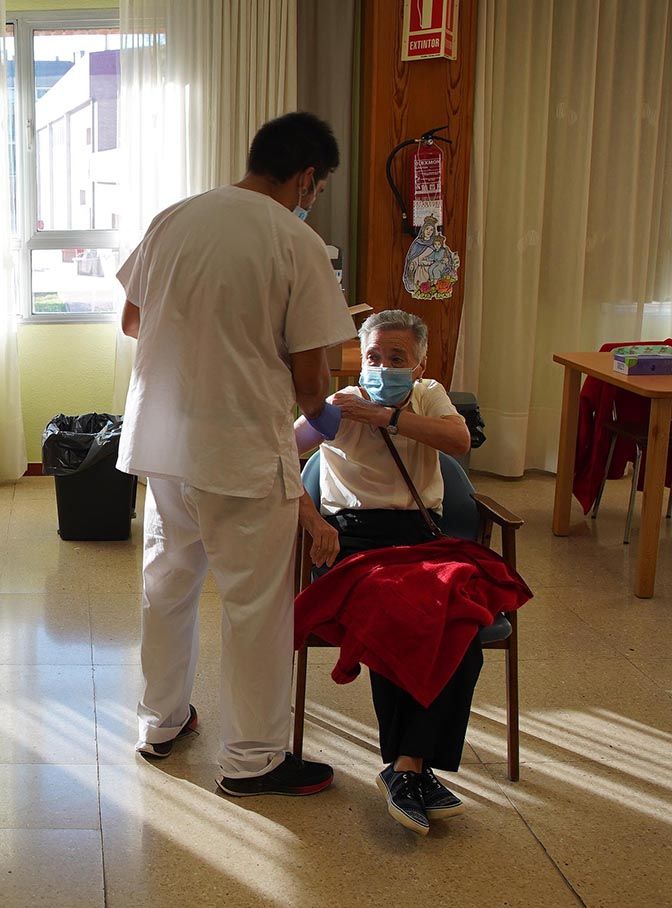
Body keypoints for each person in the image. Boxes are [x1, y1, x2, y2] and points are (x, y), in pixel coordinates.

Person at [117, 111, 355, 796]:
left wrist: (199, 343)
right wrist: (327, 417)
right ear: (306, 177)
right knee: (254, 607)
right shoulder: (297, 241)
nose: (313, 199)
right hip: (242, 451)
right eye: (317, 188)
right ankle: (253, 760)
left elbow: (133, 321)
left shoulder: (173, 219)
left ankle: (161, 722)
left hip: (164, 441)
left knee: (168, 586)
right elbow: (311, 380)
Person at [294, 308, 475, 836]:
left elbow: (459, 442)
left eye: (398, 358)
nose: (383, 367)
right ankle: (411, 768)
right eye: (373, 357)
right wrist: (313, 521)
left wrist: (388, 418)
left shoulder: (428, 395)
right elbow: (278, 456)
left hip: (422, 537)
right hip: (355, 541)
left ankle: (407, 768)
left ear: (419, 365)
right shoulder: (341, 405)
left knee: (463, 622)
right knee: (398, 618)